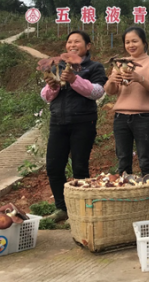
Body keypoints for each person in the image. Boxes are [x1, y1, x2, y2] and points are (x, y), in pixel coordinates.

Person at [40, 30, 107, 222]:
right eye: (69, 42)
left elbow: (97, 92)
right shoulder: (57, 67)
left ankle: (82, 209)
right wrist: (53, 86)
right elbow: (45, 97)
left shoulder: (94, 67)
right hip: (58, 122)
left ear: (88, 46)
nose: (72, 45)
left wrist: (74, 80)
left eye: (77, 41)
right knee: (54, 167)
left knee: (80, 167)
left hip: (83, 122)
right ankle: (62, 208)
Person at [104, 26, 149, 178]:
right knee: (123, 160)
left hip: (143, 117)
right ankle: (126, 196)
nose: (131, 45)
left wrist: (140, 79)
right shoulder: (120, 63)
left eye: (134, 41)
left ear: (144, 42)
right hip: (120, 118)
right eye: (127, 42)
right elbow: (110, 91)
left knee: (145, 160)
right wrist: (112, 80)